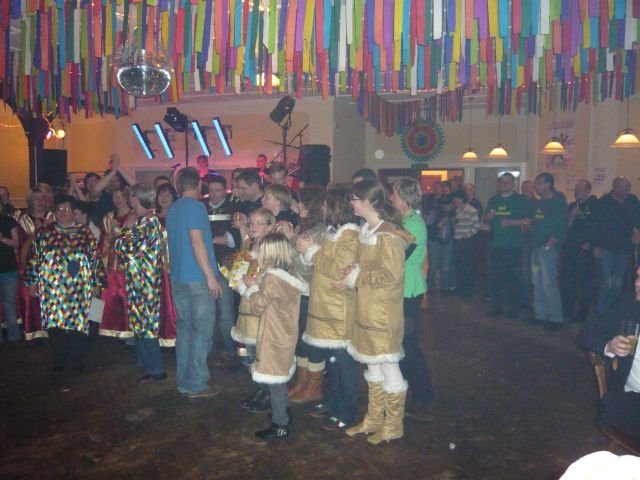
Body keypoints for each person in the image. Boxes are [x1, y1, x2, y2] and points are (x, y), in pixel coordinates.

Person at [336, 179, 413, 445]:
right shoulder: (368, 230)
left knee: (388, 365)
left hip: (382, 312)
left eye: (355, 199)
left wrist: (357, 276)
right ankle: (373, 418)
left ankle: (393, 424)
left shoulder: (388, 235)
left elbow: (390, 275)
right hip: (367, 308)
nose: (351, 203)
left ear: (369, 202)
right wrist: (354, 269)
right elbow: (370, 266)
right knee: (373, 365)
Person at [25, 195, 105, 372]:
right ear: (54, 212)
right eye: (59, 209)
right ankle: (59, 360)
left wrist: (97, 282)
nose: (63, 213)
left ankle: (77, 360)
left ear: (73, 212)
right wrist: (32, 281)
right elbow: (33, 258)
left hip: (79, 288)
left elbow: (95, 258)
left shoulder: (84, 232)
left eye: (67, 209)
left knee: (79, 324)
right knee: (56, 325)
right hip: (53, 289)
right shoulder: (44, 233)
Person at [239, 232, 307, 440]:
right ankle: (283, 412)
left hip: (273, 335)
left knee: (274, 381)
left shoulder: (271, 279)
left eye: (261, 251)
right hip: (285, 333)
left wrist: (250, 288)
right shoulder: (288, 276)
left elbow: (258, 306)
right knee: (280, 376)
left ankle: (280, 425)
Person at [167, 167, 222, 398]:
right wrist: (210, 276)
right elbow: (197, 242)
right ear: (199, 185)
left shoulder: (173, 208)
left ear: (180, 186)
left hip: (178, 277)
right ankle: (197, 384)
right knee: (202, 332)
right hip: (197, 278)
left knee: (185, 330)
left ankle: (184, 381)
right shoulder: (196, 207)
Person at [390, 178, 435, 411]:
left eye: (394, 194)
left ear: (404, 199)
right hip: (403, 287)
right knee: (403, 341)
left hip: (409, 288)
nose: (391, 198)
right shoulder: (406, 221)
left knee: (409, 342)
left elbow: (398, 256)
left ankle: (423, 392)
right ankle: (412, 386)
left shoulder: (414, 224)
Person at [114, 185, 166, 383]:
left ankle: (156, 369)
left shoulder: (147, 222)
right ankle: (145, 361)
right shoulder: (144, 220)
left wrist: (123, 231)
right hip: (139, 281)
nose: (129, 200)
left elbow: (124, 249)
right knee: (140, 322)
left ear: (136, 199)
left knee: (146, 324)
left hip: (145, 283)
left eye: (131, 197)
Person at [283, 186, 327, 407]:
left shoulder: (320, 231)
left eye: (303, 202)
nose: (298, 206)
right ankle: (302, 382)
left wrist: (293, 243)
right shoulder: (304, 226)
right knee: (300, 339)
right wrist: (291, 239)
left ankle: (314, 386)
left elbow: (309, 267)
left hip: (310, 292)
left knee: (311, 341)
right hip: (297, 291)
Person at [230, 208, 276, 413]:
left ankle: (268, 393)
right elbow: (240, 268)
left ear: (270, 226)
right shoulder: (250, 244)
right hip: (246, 302)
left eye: (260, 223)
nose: (254, 227)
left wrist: (250, 284)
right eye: (252, 223)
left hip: (259, 304)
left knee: (261, 352)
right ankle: (258, 388)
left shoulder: (271, 248)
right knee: (250, 352)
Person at [578, 292, 640, 438]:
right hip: (631, 400)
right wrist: (609, 347)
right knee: (612, 410)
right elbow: (585, 335)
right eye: (638, 279)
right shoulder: (629, 309)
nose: (637, 283)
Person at [590, 177, 640, 315]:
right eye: (624, 188)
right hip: (606, 247)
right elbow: (595, 225)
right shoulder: (603, 202)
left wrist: (637, 232)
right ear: (615, 188)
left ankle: (613, 313)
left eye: (628, 188)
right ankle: (603, 313)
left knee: (618, 283)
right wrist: (596, 245)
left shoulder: (632, 200)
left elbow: (637, 219)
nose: (627, 191)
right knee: (606, 283)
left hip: (624, 247)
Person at [484, 172, 531, 318]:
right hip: (496, 244)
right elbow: (487, 219)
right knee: (496, 278)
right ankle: (497, 307)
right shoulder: (494, 200)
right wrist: (489, 217)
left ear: (513, 184)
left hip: (514, 245)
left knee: (513, 279)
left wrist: (511, 222)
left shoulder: (520, 200)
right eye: (502, 182)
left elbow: (528, 221)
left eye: (507, 182)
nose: (504, 185)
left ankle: (513, 309)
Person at [204, 174, 240, 364]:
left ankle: (229, 349)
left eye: (218, 190)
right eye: (211, 190)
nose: (214, 194)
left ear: (225, 190)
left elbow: (234, 238)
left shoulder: (233, 207)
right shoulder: (202, 206)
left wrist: (209, 240)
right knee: (207, 311)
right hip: (206, 264)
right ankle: (210, 349)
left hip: (226, 265)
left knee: (226, 312)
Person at [530, 173, 567, 331]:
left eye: (539, 183)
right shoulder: (537, 204)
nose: (536, 186)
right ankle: (540, 314)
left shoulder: (557, 203)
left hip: (547, 248)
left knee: (549, 283)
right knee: (537, 282)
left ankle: (555, 318)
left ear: (548, 184)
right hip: (535, 246)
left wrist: (550, 243)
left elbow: (562, 226)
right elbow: (535, 222)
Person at [98, 188, 135, 341]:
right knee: (106, 296)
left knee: (126, 298)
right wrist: (108, 238)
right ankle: (104, 330)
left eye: (121, 196)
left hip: (126, 265)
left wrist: (117, 233)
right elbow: (102, 241)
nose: (118, 199)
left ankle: (129, 333)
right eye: (115, 196)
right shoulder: (108, 217)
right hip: (109, 263)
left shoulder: (133, 216)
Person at [17, 187, 54, 341]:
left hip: (51, 266)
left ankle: (53, 330)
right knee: (31, 300)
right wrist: (36, 232)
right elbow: (21, 245)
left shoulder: (53, 216)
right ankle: (36, 333)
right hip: (30, 265)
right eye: (36, 198)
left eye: (42, 198)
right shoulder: (24, 220)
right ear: (30, 201)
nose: (40, 201)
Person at [561, 180, 597, 323]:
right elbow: (565, 228)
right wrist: (571, 216)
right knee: (568, 281)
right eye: (576, 189)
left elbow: (597, 226)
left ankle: (582, 313)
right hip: (570, 249)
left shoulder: (595, 205)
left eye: (580, 189)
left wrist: (591, 242)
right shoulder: (571, 206)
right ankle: (567, 311)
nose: (577, 192)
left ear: (588, 190)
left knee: (584, 283)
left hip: (585, 250)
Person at [155, 183, 179, 347]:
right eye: (161, 194)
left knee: (172, 301)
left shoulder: (178, 216)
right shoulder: (151, 218)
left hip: (173, 264)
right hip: (154, 267)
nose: (164, 198)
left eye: (168, 194)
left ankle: (174, 337)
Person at [451, 189, 481, 298]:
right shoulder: (458, 210)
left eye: (455, 199)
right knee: (458, 266)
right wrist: (454, 223)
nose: (454, 201)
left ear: (461, 199)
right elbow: (457, 226)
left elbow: (476, 226)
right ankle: (460, 289)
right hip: (457, 240)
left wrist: (466, 236)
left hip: (466, 241)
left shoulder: (471, 210)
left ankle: (467, 291)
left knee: (467, 266)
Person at [0, 200, 20, 343]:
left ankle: (14, 338)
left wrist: (3, 239)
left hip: (8, 269)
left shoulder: (9, 221)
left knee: (9, 304)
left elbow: (17, 242)